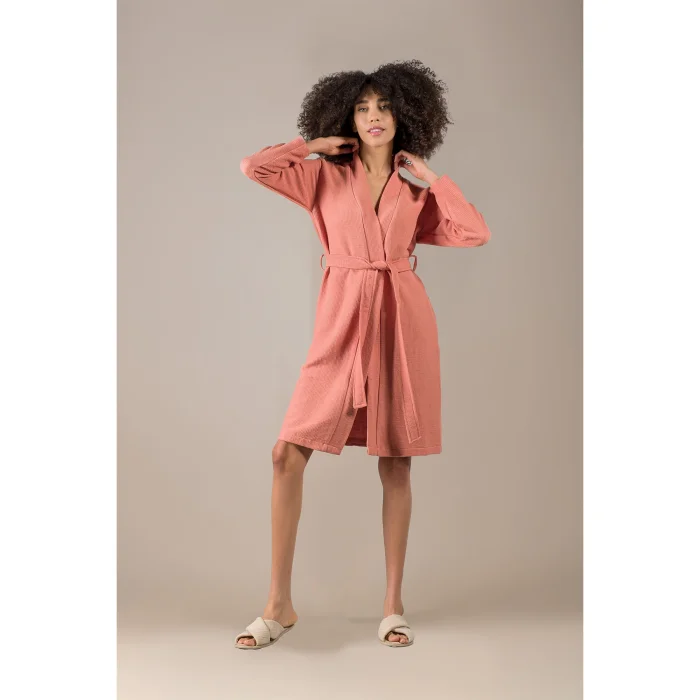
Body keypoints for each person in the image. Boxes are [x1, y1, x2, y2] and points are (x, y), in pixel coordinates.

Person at [235, 59, 491, 649]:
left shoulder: (415, 188)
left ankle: (393, 607)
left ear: (406, 115)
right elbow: (254, 167)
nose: (374, 117)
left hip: (401, 321)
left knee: (396, 461)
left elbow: (474, 232)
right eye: (362, 107)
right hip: (341, 321)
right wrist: (311, 145)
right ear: (346, 116)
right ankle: (278, 605)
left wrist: (435, 180)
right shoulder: (322, 176)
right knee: (286, 453)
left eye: (384, 106)